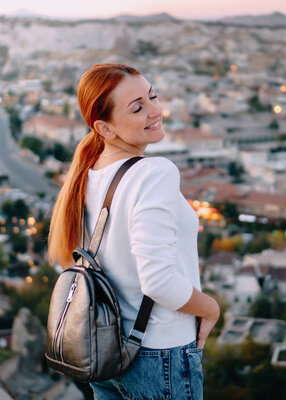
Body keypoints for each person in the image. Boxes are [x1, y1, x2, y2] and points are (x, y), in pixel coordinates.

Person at [47, 63, 220, 400]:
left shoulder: (89, 174)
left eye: (152, 96)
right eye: (138, 107)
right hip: (159, 354)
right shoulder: (154, 173)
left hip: (104, 353)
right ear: (105, 128)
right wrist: (211, 308)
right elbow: (157, 281)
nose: (155, 111)